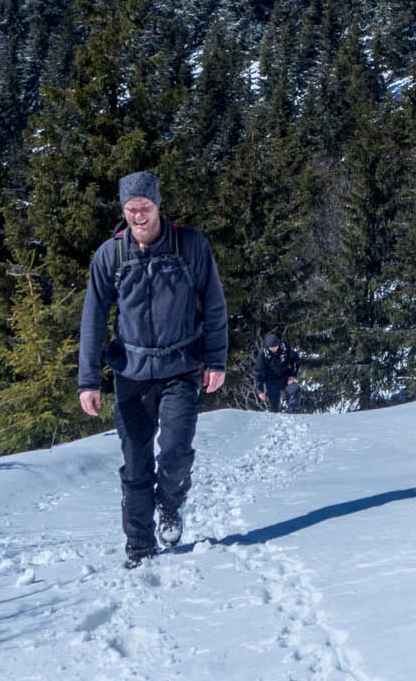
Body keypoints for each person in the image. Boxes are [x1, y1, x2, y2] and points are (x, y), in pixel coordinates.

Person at [77, 171, 228, 568]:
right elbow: (93, 319)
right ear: (123, 210)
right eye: (131, 209)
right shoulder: (111, 255)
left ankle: (171, 504)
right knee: (136, 460)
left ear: (158, 205)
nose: (138, 216)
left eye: (145, 207)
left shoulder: (190, 245)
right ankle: (140, 546)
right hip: (131, 371)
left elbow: (213, 305)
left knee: (176, 451)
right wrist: (88, 380)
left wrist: (216, 360)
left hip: (181, 366)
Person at [253, 331, 301, 410]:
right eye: (271, 348)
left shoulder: (285, 347)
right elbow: (258, 372)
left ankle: (294, 410)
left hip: (285, 375)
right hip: (271, 379)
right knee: (274, 404)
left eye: (275, 347)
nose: (274, 349)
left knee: (294, 388)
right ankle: (275, 417)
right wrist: (260, 390)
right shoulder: (263, 353)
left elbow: (295, 360)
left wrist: (293, 375)